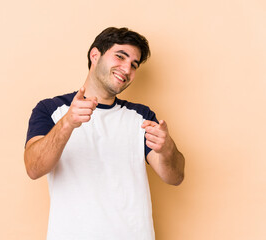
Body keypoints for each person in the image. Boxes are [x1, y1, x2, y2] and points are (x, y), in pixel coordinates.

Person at [24, 27, 185, 240]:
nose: (127, 69)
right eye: (120, 56)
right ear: (95, 55)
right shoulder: (51, 110)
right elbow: (34, 168)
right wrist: (68, 123)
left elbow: (175, 177)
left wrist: (167, 149)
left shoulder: (141, 116)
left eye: (134, 65)